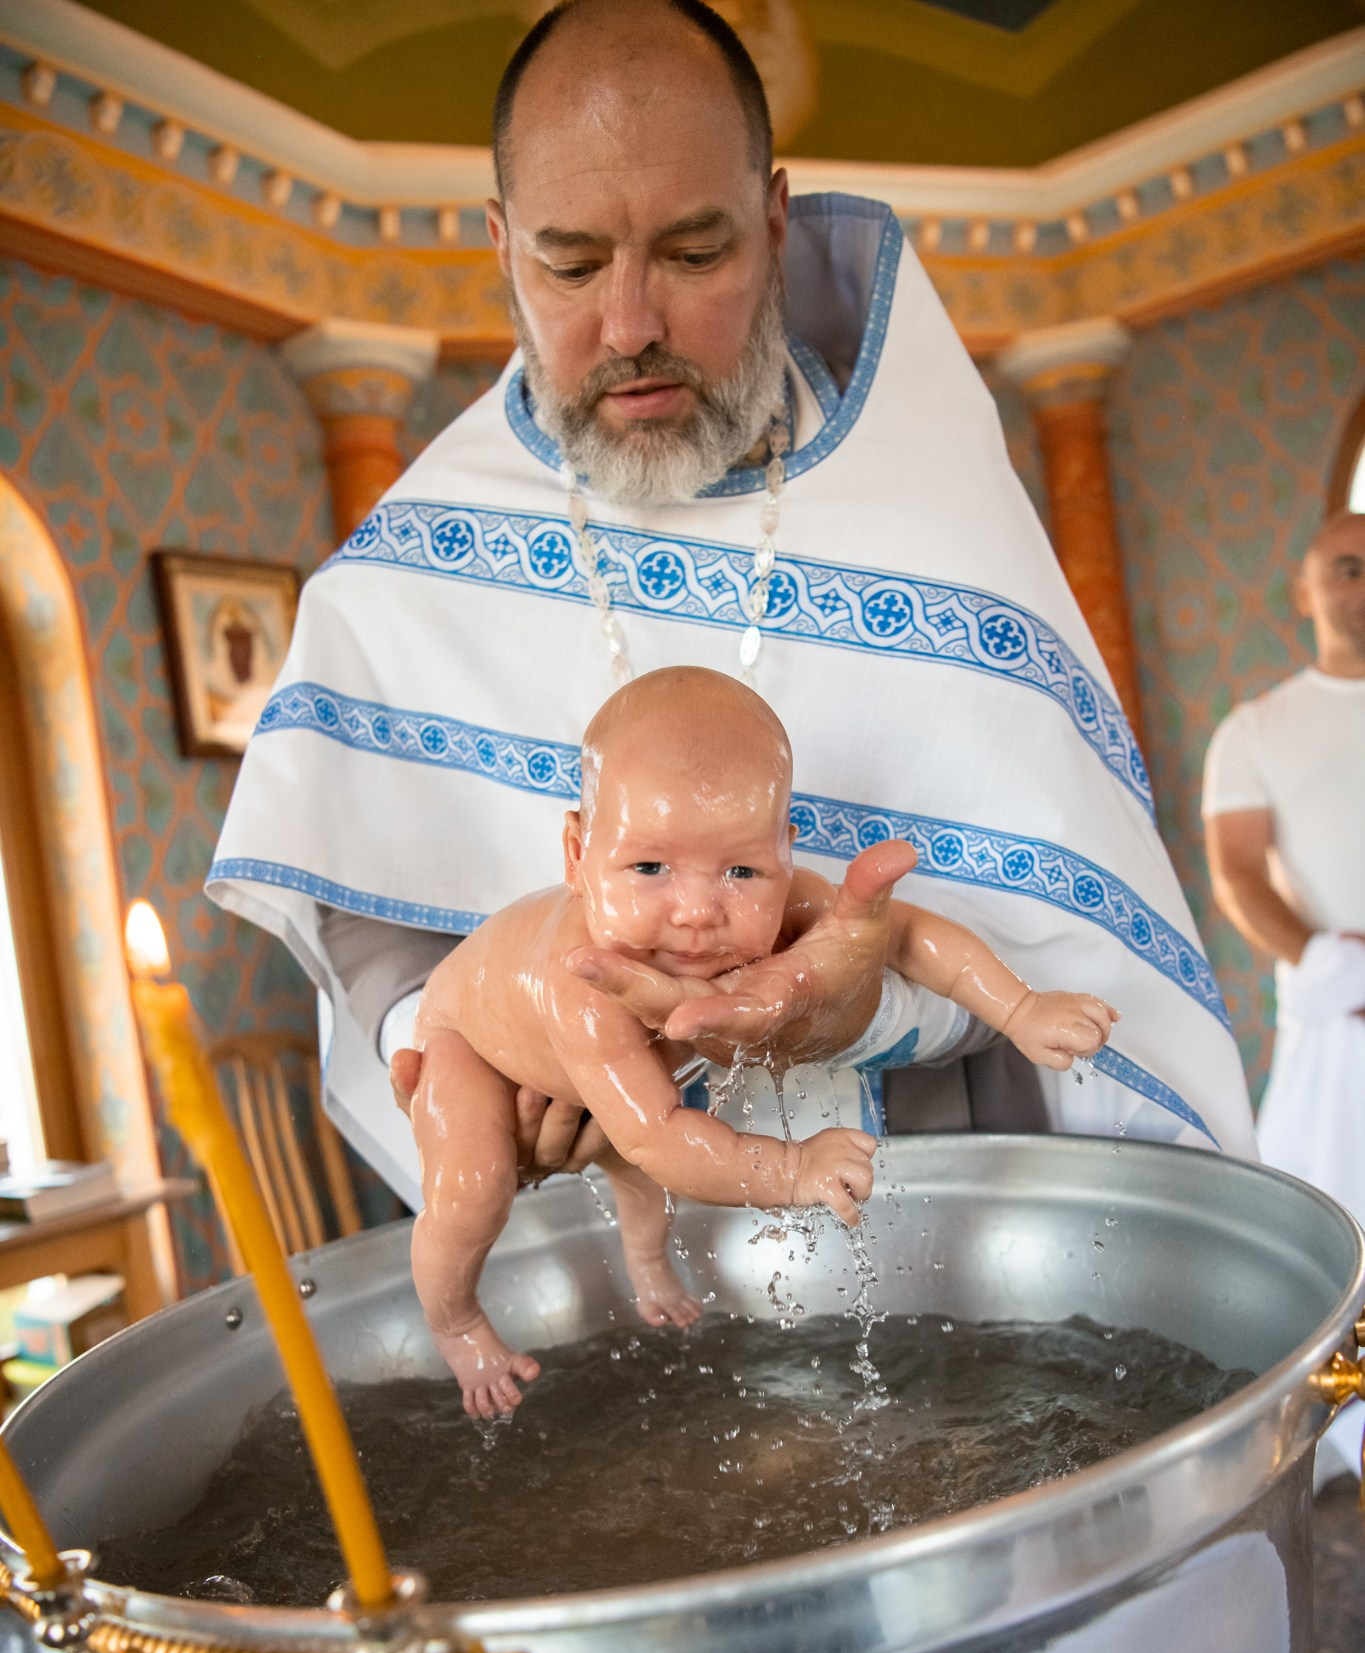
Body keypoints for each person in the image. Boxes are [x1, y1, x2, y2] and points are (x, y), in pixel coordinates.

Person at [210, 0, 1252, 1206]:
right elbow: (376, 923)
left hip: (942, 1212)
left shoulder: (936, 520)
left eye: (695, 253)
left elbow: (1078, 956)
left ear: (773, 223)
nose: (631, 325)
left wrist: (875, 1009)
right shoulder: (404, 576)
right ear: (501, 246)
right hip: (608, 1244)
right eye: (571, 264)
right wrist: (486, 1064)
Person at [413, 668, 1117, 1415]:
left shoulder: (782, 900)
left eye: (741, 870)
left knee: (631, 1159)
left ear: (784, 851)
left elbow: (906, 937)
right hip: (470, 1044)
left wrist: (1021, 1008)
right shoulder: (580, 982)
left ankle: (646, 1263)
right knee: (477, 1186)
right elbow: (661, 1135)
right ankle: (455, 1322)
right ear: (576, 855)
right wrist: (793, 1168)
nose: (697, 911)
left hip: (612, 1071)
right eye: (648, 867)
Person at [1203, 507, 1365, 1480]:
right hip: (1342, 1026)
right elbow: (1237, 874)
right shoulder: (1257, 730)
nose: (1360, 586)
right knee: (1339, 1239)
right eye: (1344, 568)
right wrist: (1332, 959)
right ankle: (1344, 1448)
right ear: (1303, 591)